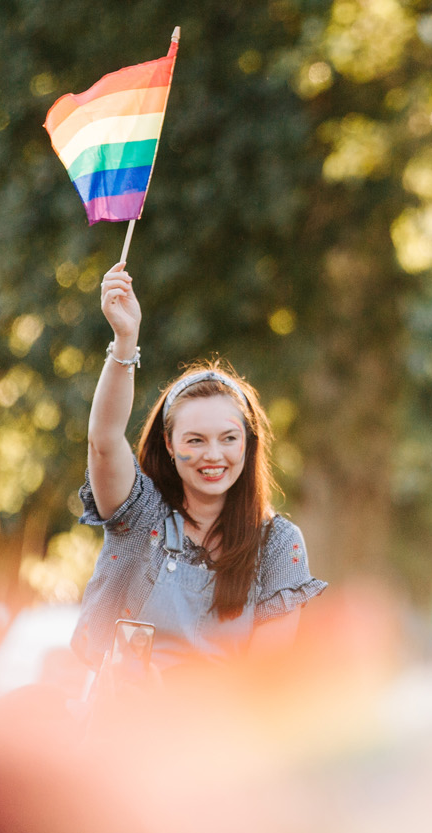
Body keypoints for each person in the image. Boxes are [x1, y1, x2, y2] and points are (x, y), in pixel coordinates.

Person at [69, 261, 325, 672]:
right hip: (118, 727)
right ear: (169, 445)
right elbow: (103, 441)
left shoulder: (278, 544)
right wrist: (125, 339)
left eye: (228, 439)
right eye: (195, 441)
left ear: (248, 443)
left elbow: (263, 681)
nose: (213, 456)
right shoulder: (141, 514)